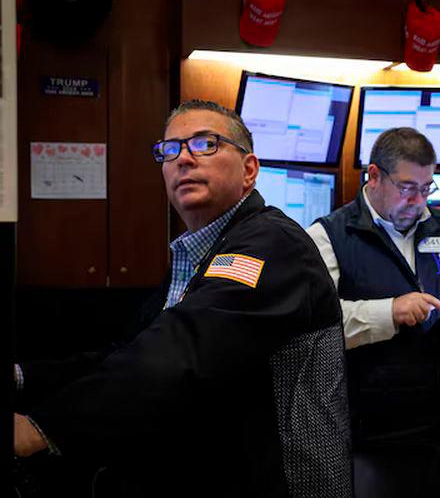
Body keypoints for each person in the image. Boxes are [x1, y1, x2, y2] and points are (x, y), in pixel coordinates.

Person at [13, 100, 352, 497]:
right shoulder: (200, 252)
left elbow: (180, 352)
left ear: (249, 170)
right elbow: (129, 353)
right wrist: (24, 377)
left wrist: (44, 427)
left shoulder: (272, 244)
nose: (183, 159)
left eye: (206, 144)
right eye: (170, 149)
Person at [305, 127, 440, 498]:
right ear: (373, 176)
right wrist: (388, 312)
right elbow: (312, 324)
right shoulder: (329, 236)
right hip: (375, 434)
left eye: (426, 187)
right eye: (406, 188)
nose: (418, 200)